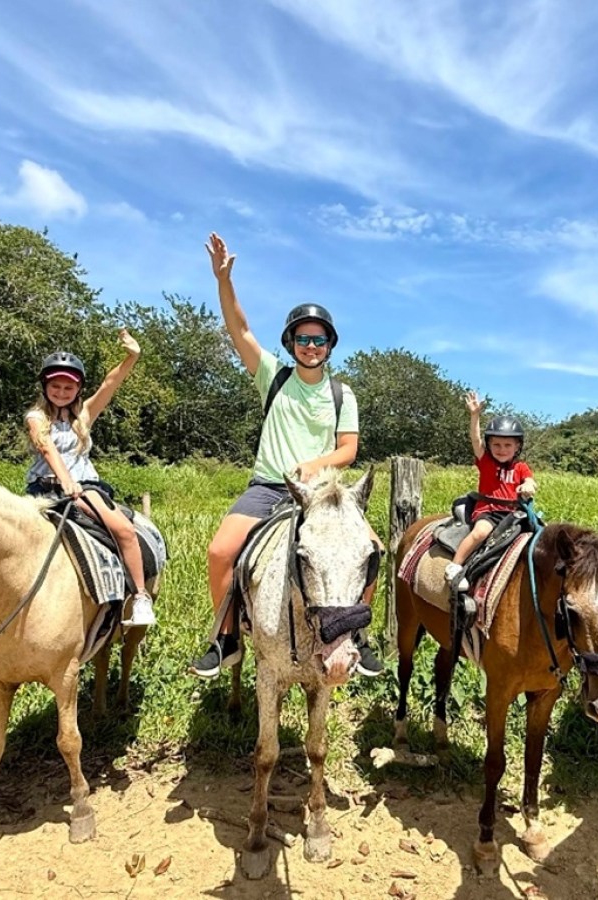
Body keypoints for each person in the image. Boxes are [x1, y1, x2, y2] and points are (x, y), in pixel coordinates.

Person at [190, 231, 383, 678]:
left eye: (318, 340)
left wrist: (317, 465)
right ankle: (227, 637)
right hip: (269, 486)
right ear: (291, 343)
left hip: (320, 492)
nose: (310, 346)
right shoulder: (273, 377)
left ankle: (358, 635)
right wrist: (223, 280)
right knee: (220, 551)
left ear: (329, 345)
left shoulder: (342, 393)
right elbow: (239, 329)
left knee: (372, 550)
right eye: (302, 339)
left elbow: (349, 449)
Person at [25, 330, 155, 628]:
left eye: (68, 387)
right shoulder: (36, 416)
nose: (61, 391)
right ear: (45, 386)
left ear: (78, 389)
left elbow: (111, 383)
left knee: (123, 529)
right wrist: (63, 479)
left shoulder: (84, 414)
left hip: (84, 487)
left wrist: (131, 357)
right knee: (1, 534)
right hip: (43, 490)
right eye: (55, 385)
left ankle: (140, 597)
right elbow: (45, 447)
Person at [443, 392, 536, 593]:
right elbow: (475, 440)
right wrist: (474, 415)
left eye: (507, 445)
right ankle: (456, 565)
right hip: (489, 510)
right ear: (490, 445)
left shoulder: (520, 467)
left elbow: (529, 480)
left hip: (513, 513)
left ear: (517, 446)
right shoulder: (485, 461)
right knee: (481, 532)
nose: (501, 449)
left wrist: (528, 486)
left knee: (539, 536)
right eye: (496, 444)